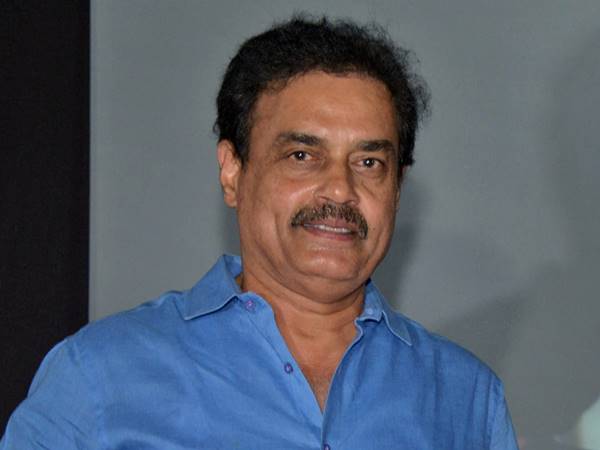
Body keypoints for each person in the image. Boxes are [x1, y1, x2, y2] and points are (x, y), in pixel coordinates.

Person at [1, 16, 518, 449]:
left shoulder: (467, 400)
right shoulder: (99, 378)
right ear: (233, 172)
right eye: (302, 155)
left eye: (368, 162)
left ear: (397, 188)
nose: (340, 190)